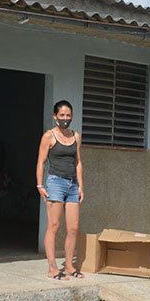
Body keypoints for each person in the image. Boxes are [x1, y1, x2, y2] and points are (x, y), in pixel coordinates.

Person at [36, 100, 85, 280]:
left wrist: (80, 186)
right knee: (54, 226)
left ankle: (70, 267)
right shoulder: (49, 136)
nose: (65, 118)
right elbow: (41, 162)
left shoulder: (76, 136)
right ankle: (52, 267)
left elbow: (78, 162)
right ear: (55, 116)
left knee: (73, 228)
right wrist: (40, 185)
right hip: (55, 183)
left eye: (68, 115)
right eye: (62, 115)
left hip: (72, 185)